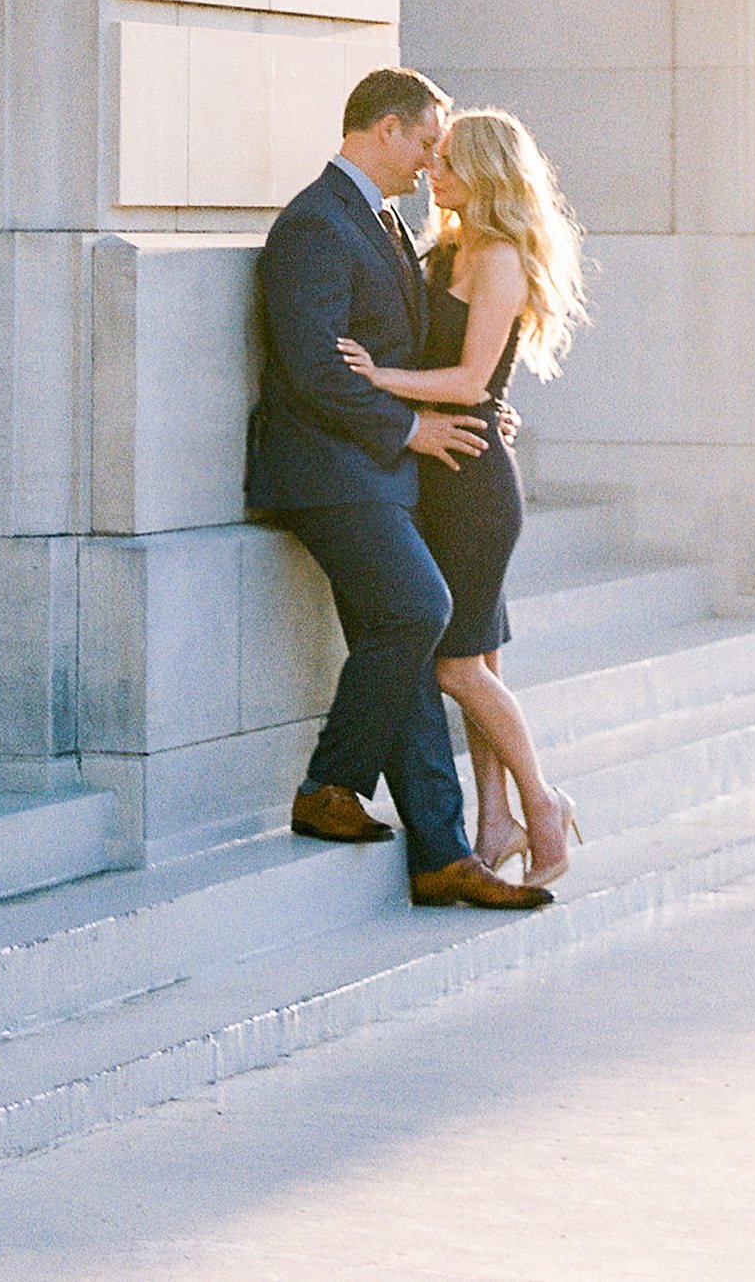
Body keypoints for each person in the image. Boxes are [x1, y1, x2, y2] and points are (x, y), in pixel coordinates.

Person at [243, 69, 553, 912]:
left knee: (416, 645)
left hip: (387, 474)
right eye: (423, 141)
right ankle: (327, 786)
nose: (428, 162)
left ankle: (441, 854)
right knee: (421, 611)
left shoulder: (387, 224)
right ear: (384, 129)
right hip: (329, 473)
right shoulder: (315, 224)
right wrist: (410, 428)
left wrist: (487, 404)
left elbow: (451, 347)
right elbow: (313, 369)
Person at [338, 106, 588, 887]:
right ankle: (497, 817)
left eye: (446, 161)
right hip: (437, 477)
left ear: (483, 173)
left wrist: (377, 379)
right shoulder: (445, 245)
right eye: (432, 156)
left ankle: (543, 802)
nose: (431, 171)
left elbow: (473, 379)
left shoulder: (502, 256)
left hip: (474, 482)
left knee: (454, 668)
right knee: (478, 656)